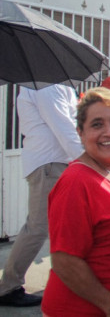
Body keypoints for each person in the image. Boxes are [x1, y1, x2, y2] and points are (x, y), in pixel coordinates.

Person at [42, 87, 110, 316]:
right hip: (83, 310)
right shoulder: (76, 182)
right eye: (97, 124)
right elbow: (64, 260)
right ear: (80, 132)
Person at [0, 84, 83, 308]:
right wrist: (90, 160)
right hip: (49, 164)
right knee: (37, 227)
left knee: (67, 225)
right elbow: (64, 127)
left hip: (58, 162)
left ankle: (72, 279)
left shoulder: (57, 86)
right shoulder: (46, 86)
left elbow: (71, 121)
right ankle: (8, 286)